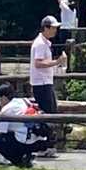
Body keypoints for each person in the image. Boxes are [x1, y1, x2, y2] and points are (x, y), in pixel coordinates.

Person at [30, 15, 67, 157]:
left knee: (50, 112)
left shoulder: (44, 43)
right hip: (41, 83)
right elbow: (38, 63)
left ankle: (46, 145)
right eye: (53, 28)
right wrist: (57, 62)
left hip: (45, 82)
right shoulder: (40, 44)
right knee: (47, 114)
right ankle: (45, 146)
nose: (55, 30)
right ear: (46, 28)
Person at [0, 82, 43, 166]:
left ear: (4, 97)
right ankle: (27, 156)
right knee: (17, 131)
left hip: (24, 142)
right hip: (38, 139)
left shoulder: (7, 109)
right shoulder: (24, 101)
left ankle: (19, 162)